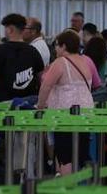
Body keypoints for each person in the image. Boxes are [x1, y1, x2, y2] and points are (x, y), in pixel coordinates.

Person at [37, 30, 95, 175]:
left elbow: (46, 86)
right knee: (80, 151)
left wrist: (40, 106)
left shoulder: (61, 62)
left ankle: (66, 186)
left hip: (65, 114)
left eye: (57, 45)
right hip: (86, 113)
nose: (55, 49)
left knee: (65, 154)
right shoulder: (84, 60)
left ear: (63, 46)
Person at [0, 14, 45, 102]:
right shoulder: (33, 51)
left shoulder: (0, 50)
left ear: (10, 29)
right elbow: (42, 78)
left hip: (3, 102)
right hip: (27, 102)